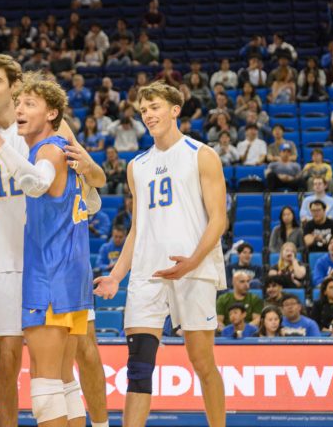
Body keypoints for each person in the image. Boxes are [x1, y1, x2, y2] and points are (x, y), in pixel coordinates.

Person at [0, 55, 109, 427]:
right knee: (15, 362)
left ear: (17, 89)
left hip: (48, 263)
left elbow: (89, 181)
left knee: (80, 358)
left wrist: (92, 171)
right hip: (12, 263)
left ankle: (103, 422)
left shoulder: (43, 133)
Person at [94, 82, 226, 427]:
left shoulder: (201, 154)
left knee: (202, 362)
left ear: (174, 110)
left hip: (193, 269)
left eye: (154, 107)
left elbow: (219, 219)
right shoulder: (137, 165)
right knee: (138, 366)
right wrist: (116, 275)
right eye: (143, 110)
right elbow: (138, 228)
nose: (148, 114)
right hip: (147, 273)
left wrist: (193, 261)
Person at [0, 73, 95, 427]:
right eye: (19, 102)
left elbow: (36, 183)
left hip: (49, 272)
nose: (20, 109)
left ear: (52, 113)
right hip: (72, 272)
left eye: (30, 104)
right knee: (65, 383)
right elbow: (94, 202)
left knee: (45, 385)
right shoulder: (65, 151)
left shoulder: (49, 148)